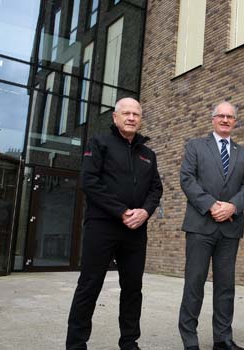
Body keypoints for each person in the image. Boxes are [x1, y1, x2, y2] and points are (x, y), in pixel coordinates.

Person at [66, 97, 163, 350]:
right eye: (126, 113)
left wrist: (145, 212)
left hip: (136, 231)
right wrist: (121, 211)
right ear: (115, 117)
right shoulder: (99, 143)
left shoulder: (148, 154)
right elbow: (89, 182)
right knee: (89, 285)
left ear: (141, 119)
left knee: (133, 288)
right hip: (102, 227)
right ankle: (76, 344)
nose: (131, 118)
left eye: (136, 114)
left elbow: (156, 189)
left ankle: (129, 342)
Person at [178, 101, 244, 350]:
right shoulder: (196, 146)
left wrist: (232, 207)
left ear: (235, 122)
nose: (225, 120)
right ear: (213, 119)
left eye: (229, 117)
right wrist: (212, 205)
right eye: (220, 116)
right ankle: (190, 340)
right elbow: (187, 179)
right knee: (194, 283)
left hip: (230, 227)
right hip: (200, 226)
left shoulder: (243, 153)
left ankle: (222, 339)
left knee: (225, 286)